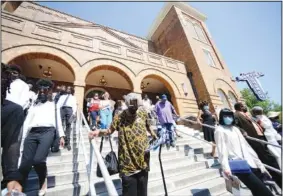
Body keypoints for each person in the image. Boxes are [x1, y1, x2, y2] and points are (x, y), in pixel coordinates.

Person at [88, 93, 157, 196]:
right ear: (127, 105)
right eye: (131, 107)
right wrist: (97, 132)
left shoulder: (143, 112)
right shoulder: (119, 117)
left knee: (143, 193)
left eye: (136, 107)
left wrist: (154, 135)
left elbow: (148, 125)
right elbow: (109, 131)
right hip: (127, 165)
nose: (134, 110)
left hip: (143, 162)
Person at [19, 79, 65, 196]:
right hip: (32, 133)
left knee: (38, 160)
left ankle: (43, 183)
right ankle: (20, 187)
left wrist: (62, 136)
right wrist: (23, 138)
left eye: (46, 90)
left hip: (47, 132)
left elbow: (58, 121)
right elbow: (27, 122)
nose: (43, 91)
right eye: (41, 90)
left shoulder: (54, 105)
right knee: (25, 163)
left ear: (50, 91)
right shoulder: (34, 105)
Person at [215, 108, 274, 196]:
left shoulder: (235, 129)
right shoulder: (219, 130)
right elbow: (222, 151)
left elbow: (246, 146)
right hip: (237, 164)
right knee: (263, 190)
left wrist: (259, 163)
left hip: (249, 162)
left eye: (230, 115)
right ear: (221, 117)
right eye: (225, 116)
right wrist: (226, 169)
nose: (228, 118)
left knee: (257, 190)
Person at [234, 102, 282, 188]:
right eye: (244, 105)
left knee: (270, 157)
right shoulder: (236, 115)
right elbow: (235, 125)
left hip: (261, 137)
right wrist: (243, 131)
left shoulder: (246, 115)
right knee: (268, 159)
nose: (245, 106)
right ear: (241, 107)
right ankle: (277, 176)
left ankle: (276, 175)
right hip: (254, 139)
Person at [1, 64, 30, 193]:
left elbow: (12, 145)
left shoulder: (22, 86)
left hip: (14, 115)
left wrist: (12, 174)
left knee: (12, 144)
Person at [57, 86, 77, 151]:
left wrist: (74, 113)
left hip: (69, 109)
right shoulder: (62, 96)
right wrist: (57, 111)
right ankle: (60, 141)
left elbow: (74, 105)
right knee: (60, 125)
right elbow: (58, 104)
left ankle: (67, 143)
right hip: (62, 109)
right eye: (67, 89)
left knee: (68, 126)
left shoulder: (73, 97)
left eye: (69, 89)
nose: (68, 89)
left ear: (71, 90)